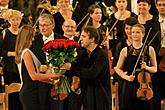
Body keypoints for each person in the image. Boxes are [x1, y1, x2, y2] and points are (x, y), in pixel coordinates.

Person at [63, 26, 111, 110]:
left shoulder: (101, 54)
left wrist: (71, 67)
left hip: (100, 94)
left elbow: (92, 73)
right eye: (81, 36)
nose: (80, 39)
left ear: (92, 39)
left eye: (84, 36)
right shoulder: (83, 53)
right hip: (86, 94)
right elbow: (75, 70)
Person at [15, 25, 60, 110]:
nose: (33, 39)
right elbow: (34, 76)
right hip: (29, 92)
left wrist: (50, 81)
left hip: (32, 90)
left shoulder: (25, 51)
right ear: (27, 37)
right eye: (32, 36)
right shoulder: (26, 53)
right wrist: (53, 75)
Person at [114, 24, 157, 110]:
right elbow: (117, 68)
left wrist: (147, 67)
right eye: (133, 32)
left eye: (138, 32)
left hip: (144, 85)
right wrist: (126, 77)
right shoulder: (125, 50)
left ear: (143, 34)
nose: (134, 34)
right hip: (129, 84)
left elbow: (155, 68)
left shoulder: (150, 49)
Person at [31, 13, 58, 110]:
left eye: (45, 25)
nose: (42, 28)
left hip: (59, 82)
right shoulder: (34, 41)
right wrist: (38, 67)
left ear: (53, 25)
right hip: (42, 82)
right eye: (40, 25)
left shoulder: (62, 40)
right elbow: (30, 61)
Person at [0, 9, 23, 110]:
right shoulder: (5, 33)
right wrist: (11, 53)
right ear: (9, 20)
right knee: (10, 91)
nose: (15, 22)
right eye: (13, 19)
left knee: (21, 91)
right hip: (9, 67)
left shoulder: (22, 33)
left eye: (18, 19)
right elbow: (1, 51)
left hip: (21, 66)